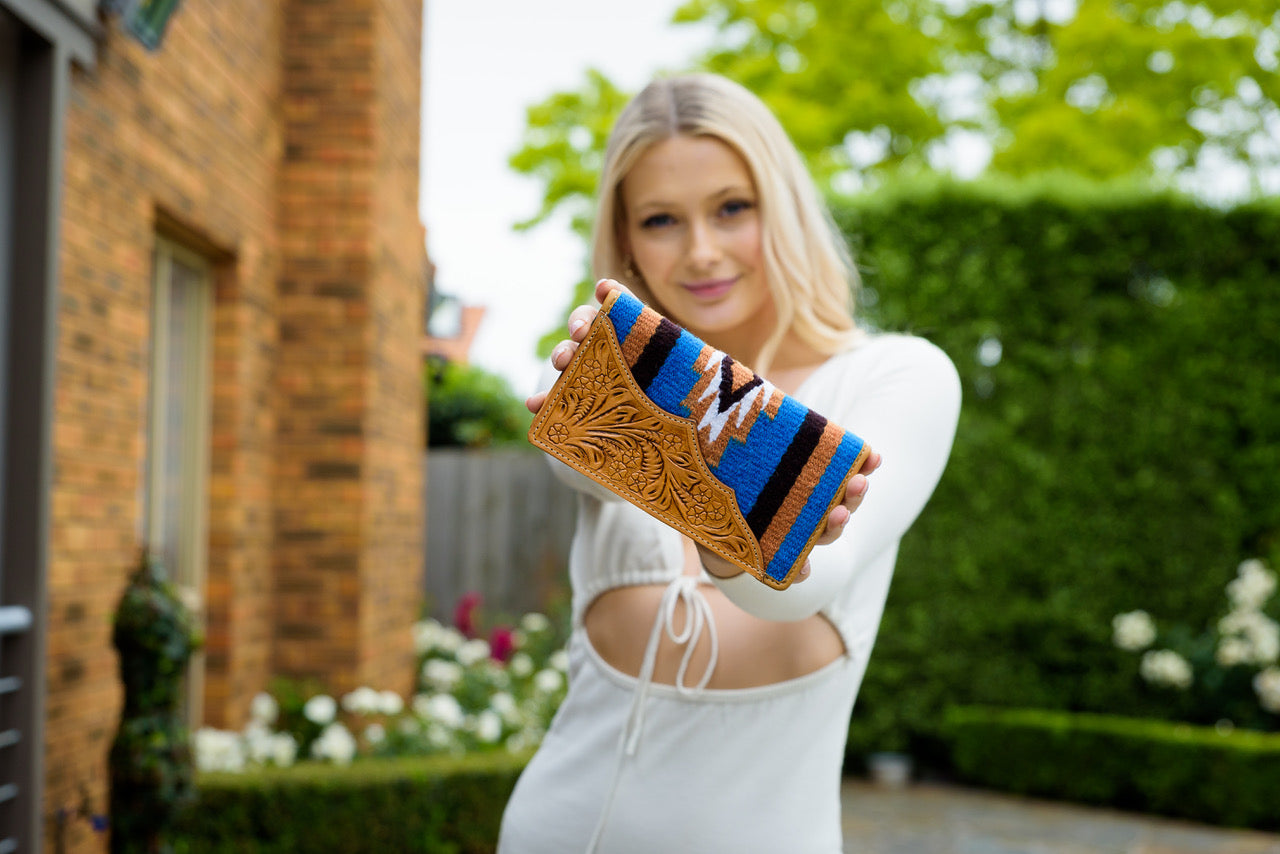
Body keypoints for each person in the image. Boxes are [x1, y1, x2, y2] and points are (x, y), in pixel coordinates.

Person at [499, 73, 961, 854]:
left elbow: (808, 580)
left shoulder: (896, 378)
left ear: (781, 206)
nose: (701, 251)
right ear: (627, 240)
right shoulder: (607, 366)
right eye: (661, 220)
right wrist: (597, 399)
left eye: (731, 208)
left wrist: (728, 532)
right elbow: (574, 468)